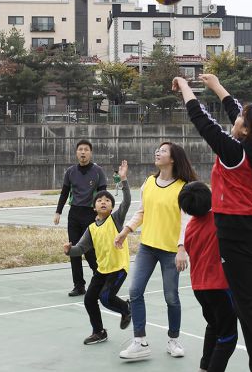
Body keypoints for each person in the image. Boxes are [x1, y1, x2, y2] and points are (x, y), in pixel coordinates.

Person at [174, 73, 252, 372]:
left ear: (246, 129)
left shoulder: (235, 153)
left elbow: (203, 122)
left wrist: (185, 88)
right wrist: (216, 86)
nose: (237, 118)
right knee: (249, 307)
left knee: (249, 308)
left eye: (241, 119)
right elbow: (236, 110)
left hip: (236, 234)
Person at [114, 142, 197, 360]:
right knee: (135, 290)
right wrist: (125, 231)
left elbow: (186, 222)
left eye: (163, 151)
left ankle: (173, 339)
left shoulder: (184, 187)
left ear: (173, 158)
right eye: (157, 150)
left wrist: (181, 249)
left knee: (171, 297)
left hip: (171, 251)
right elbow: (141, 212)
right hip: (147, 247)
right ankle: (140, 341)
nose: (157, 153)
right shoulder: (149, 182)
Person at [64, 160, 132, 346]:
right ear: (94, 207)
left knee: (107, 297)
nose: (103, 202)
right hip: (102, 270)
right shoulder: (92, 228)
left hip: (118, 268)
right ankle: (99, 331)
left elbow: (126, 201)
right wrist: (69, 251)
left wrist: (123, 180)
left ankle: (126, 308)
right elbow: (81, 249)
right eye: (100, 200)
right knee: (89, 300)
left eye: (107, 200)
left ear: (111, 207)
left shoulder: (116, 219)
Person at [178, 181, 238, 372]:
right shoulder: (219, 219)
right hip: (219, 287)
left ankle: (204, 367)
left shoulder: (191, 227)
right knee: (228, 337)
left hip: (199, 288)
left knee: (213, 326)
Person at [53, 140, 108, 297]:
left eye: (86, 150)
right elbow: (64, 193)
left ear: (90, 153)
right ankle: (79, 285)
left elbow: (102, 195)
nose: (83, 152)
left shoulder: (98, 171)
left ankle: (101, 281)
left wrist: (101, 214)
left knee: (90, 251)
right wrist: (58, 212)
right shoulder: (70, 172)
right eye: (80, 150)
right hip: (74, 215)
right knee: (73, 250)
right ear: (76, 153)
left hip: (91, 214)